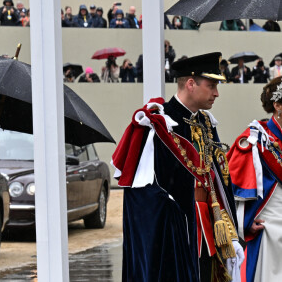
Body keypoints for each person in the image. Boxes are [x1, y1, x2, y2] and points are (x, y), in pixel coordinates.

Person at [112, 52, 244, 282]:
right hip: (176, 233)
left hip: (209, 229)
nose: (216, 93)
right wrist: (172, 216)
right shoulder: (159, 123)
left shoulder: (205, 122)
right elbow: (140, 194)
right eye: (211, 85)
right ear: (191, 84)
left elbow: (218, 181)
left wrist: (231, 233)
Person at [227, 77, 282, 282]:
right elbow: (233, 186)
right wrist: (245, 222)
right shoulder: (255, 139)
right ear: (277, 105)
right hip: (270, 231)